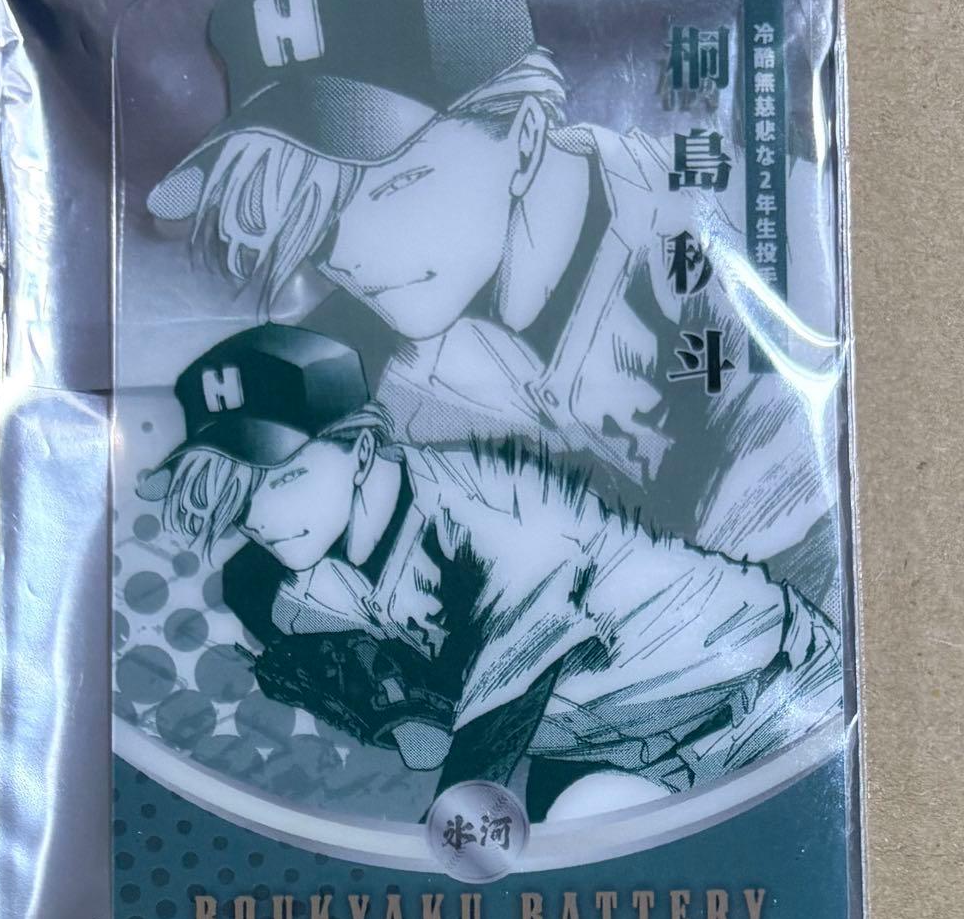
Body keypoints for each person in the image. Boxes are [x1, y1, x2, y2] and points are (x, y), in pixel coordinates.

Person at [146, 0, 842, 598]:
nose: (343, 257)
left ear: (525, 133)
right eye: (312, 219)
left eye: (390, 186)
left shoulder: (756, 231)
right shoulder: (360, 366)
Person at [140, 324, 842, 821]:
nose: (258, 516)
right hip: (608, 750)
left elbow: (483, 761)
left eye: (283, 476)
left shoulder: (489, 516)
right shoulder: (282, 577)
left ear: (361, 449)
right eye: (236, 492)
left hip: (770, 694)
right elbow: (262, 598)